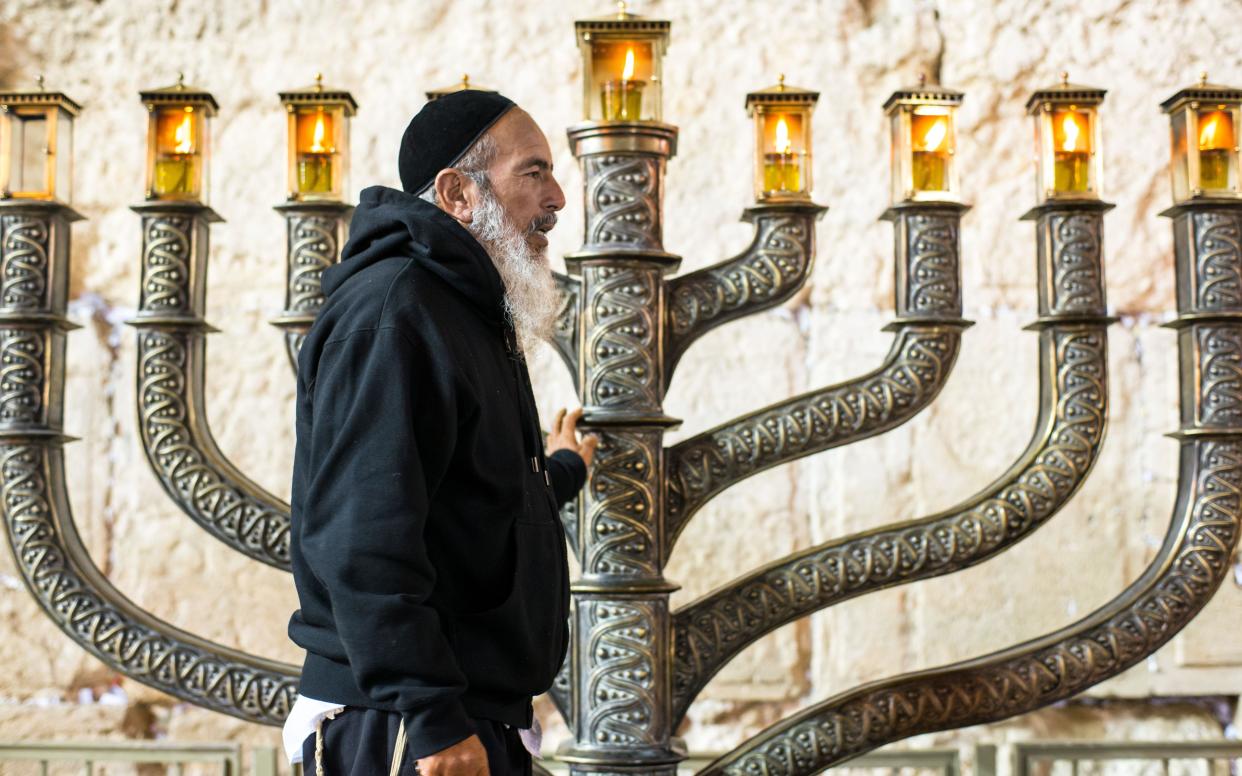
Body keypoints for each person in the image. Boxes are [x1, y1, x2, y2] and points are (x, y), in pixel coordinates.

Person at [283, 90, 598, 776]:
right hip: (405, 726)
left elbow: (470, 498)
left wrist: (563, 468)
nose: (558, 200)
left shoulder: (459, 310)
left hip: (456, 713)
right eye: (534, 172)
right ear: (458, 191)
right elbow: (363, 536)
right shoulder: (396, 310)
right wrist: (431, 717)